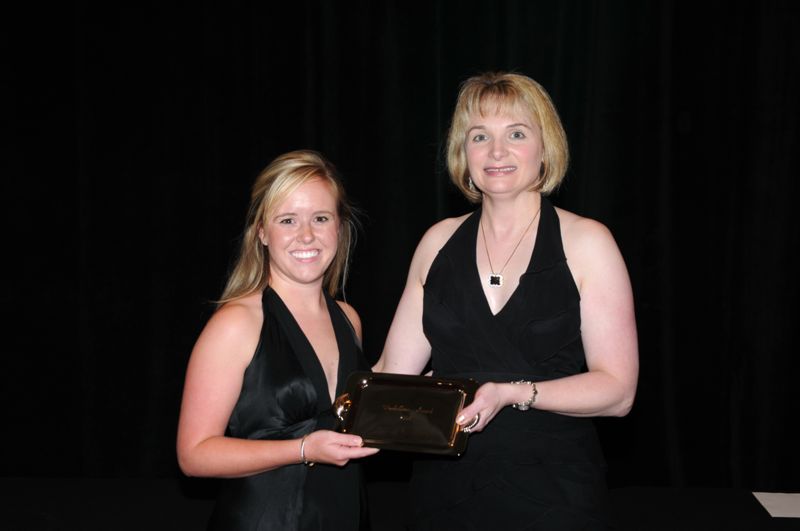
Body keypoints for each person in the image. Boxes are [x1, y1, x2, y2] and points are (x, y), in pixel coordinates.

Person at [372, 72, 639, 529]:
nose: (497, 152)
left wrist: (513, 393)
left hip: (555, 494)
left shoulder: (588, 242)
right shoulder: (437, 242)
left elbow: (617, 392)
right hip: (444, 495)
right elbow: (390, 376)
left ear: (544, 147)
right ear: (464, 152)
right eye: (480, 136)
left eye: (516, 133)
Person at [177, 150, 379, 530]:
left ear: (339, 227)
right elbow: (194, 455)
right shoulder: (237, 323)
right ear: (262, 232)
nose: (306, 235)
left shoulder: (349, 319)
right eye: (288, 220)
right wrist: (303, 450)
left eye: (320, 218)